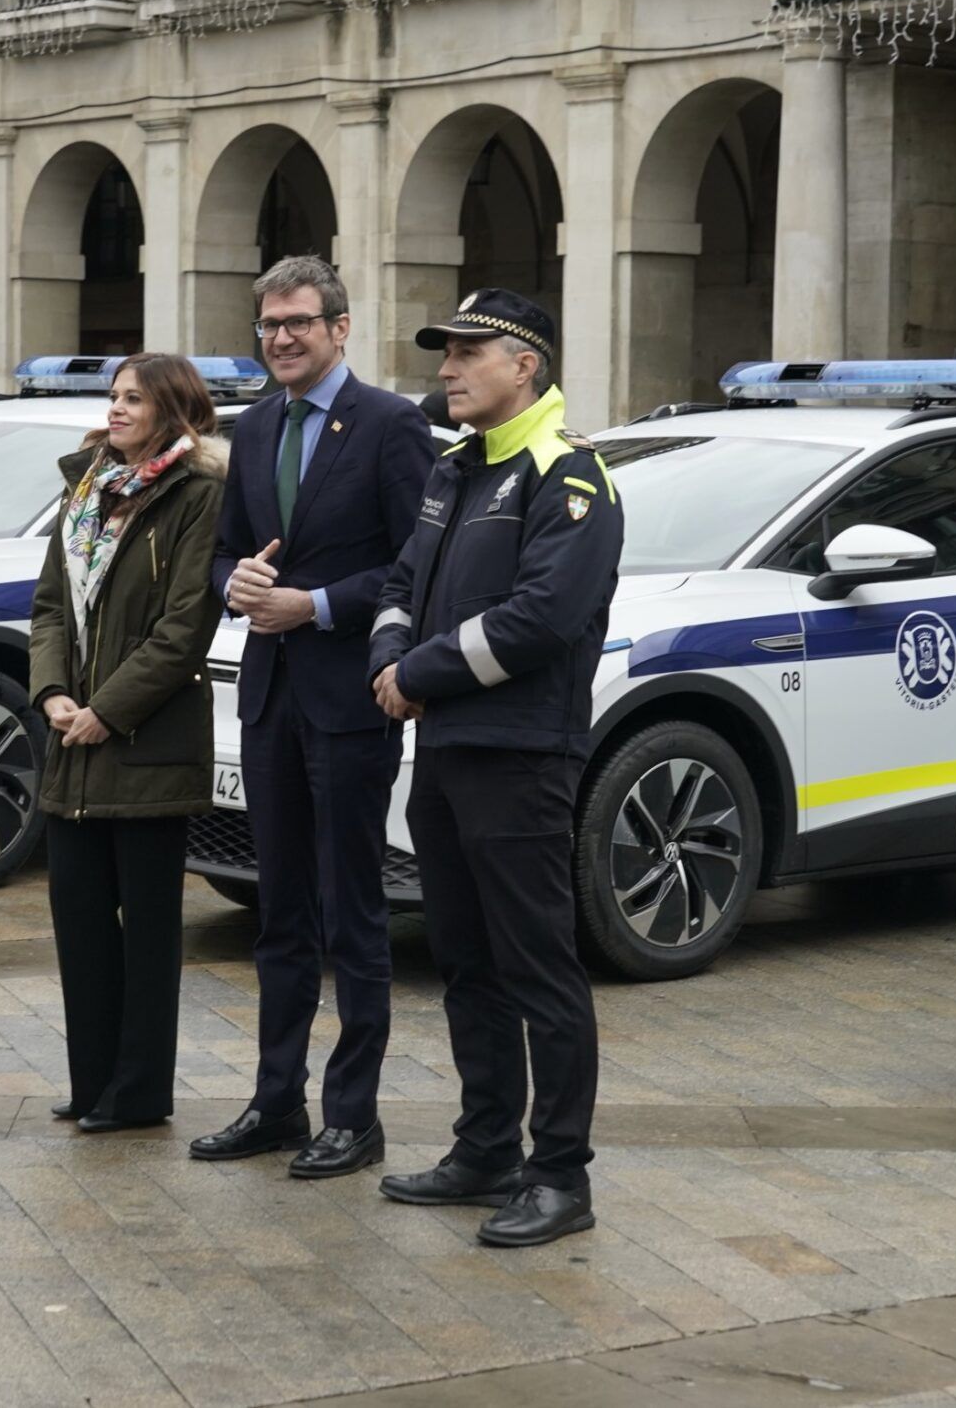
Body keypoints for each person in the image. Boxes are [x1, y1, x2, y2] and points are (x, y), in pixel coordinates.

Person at [368, 289, 623, 1248]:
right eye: (446, 352)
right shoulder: (453, 471)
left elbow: (541, 617)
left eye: (468, 351)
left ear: (527, 365)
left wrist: (419, 672)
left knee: (536, 968)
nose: (446, 368)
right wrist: (388, 663)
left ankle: (560, 1175)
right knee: (466, 961)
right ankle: (486, 1149)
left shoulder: (572, 477)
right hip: (443, 751)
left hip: (521, 754)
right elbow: (401, 585)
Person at [192, 257, 433, 1179]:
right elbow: (223, 557)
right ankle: (275, 1100)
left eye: (299, 322)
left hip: (349, 699)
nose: (282, 338)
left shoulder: (390, 425)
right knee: (279, 911)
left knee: (351, 910)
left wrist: (320, 604)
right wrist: (238, 582)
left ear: (340, 328)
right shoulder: (251, 429)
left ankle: (354, 1115)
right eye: (269, 326)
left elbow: (418, 566)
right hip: (268, 697)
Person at [28, 354, 230, 1133]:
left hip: (146, 741)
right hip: (72, 740)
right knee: (77, 914)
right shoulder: (84, 489)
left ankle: (140, 1092)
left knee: (146, 932)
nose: (115, 409)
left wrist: (105, 711)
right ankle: (92, 1082)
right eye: (112, 396)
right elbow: (50, 606)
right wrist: (52, 692)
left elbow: (184, 629)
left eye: (133, 398)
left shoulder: (198, 494)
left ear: (172, 409)